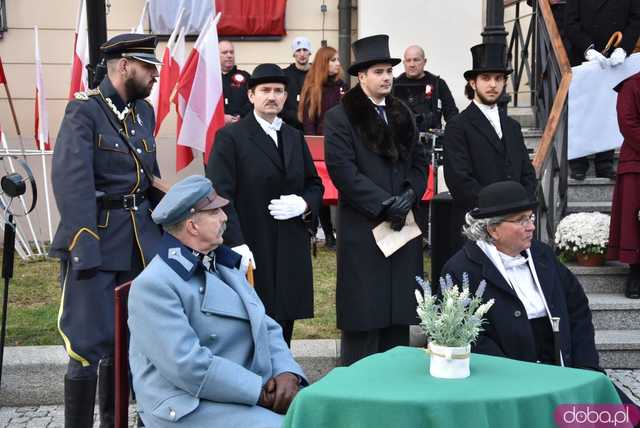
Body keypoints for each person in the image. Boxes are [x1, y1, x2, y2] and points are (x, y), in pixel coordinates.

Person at [128, 175, 307, 428]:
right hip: (188, 403)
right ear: (192, 226)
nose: (224, 217)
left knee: (319, 415)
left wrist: (287, 372)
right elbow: (188, 366)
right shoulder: (155, 285)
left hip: (236, 390)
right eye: (214, 212)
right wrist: (259, 393)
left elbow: (265, 325)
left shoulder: (219, 263)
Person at [49, 33, 163, 427]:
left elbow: (151, 178)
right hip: (96, 241)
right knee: (86, 344)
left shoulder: (142, 113)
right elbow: (71, 183)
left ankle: (115, 422)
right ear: (124, 65)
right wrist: (83, 246)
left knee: (127, 341)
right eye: (149, 67)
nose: (155, 76)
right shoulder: (84, 112)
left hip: (140, 244)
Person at [441, 181, 635, 405]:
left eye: (531, 217)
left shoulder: (542, 256)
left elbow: (577, 309)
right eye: (520, 220)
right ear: (492, 229)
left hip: (566, 370)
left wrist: (586, 368)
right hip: (507, 385)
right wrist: (515, 379)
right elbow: (465, 337)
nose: (531, 226)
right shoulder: (461, 270)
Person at [324, 34, 428, 366]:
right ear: (362, 76)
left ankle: (396, 391)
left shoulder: (402, 113)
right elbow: (343, 171)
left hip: (401, 228)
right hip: (365, 226)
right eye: (379, 72)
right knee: (363, 315)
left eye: (388, 71)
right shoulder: (341, 117)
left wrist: (410, 193)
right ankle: (356, 390)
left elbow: (419, 160)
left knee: (398, 315)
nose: (386, 77)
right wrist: (385, 203)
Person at [206, 64, 324, 346]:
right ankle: (257, 387)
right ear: (251, 96)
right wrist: (234, 242)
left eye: (279, 91)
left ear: (286, 97)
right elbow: (220, 193)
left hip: (289, 244)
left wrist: (304, 203)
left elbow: (314, 183)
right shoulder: (231, 137)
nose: (272, 96)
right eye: (265, 91)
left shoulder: (293, 136)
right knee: (253, 322)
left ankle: (285, 379)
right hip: (252, 243)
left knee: (285, 321)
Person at [442, 43, 537, 264]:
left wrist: (520, 211)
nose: (493, 84)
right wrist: (498, 215)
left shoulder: (512, 126)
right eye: (486, 78)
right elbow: (459, 180)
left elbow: (526, 173)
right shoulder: (458, 125)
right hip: (479, 226)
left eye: (498, 78)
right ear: (473, 82)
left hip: (515, 230)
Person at [565, 0, 640, 181]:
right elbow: (570, 22)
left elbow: (637, 19)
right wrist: (588, 49)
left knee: (608, 107)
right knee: (582, 107)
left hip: (615, 57)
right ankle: (578, 161)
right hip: (583, 55)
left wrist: (624, 48)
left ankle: (604, 162)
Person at [298, 45, 346, 250]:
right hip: (319, 148)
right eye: (333, 60)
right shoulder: (313, 89)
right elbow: (309, 122)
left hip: (341, 145)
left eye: (338, 60)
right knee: (323, 191)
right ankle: (327, 234)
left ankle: (341, 232)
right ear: (323, 63)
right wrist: (314, 148)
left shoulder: (343, 87)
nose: (337, 63)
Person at [608, 72, 640, 299]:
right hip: (637, 162)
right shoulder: (632, 85)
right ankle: (636, 273)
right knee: (633, 222)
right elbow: (628, 123)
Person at [394, 45, 458, 132]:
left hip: (430, 140)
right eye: (408, 60)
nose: (412, 64)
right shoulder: (394, 85)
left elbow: (451, 114)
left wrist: (452, 136)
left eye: (416, 60)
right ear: (404, 63)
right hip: (400, 141)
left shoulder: (438, 84)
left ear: (424, 61)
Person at [281, 36, 313, 130]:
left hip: (314, 128)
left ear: (310, 52)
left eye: (305, 50)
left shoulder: (318, 74)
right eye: (298, 50)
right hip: (290, 126)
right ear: (294, 54)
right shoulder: (284, 75)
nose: (302, 54)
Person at [220, 40, 251, 125]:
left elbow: (254, 99)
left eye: (231, 52)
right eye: (225, 52)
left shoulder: (245, 76)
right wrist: (220, 117)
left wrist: (240, 116)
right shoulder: (209, 79)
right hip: (217, 127)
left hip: (243, 126)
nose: (229, 55)